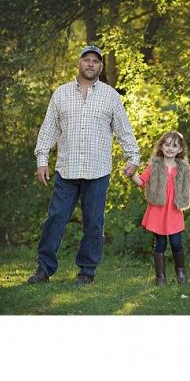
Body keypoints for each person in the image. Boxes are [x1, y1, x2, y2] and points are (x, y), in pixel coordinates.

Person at [27, 46, 140, 285]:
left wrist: (133, 158)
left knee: (94, 222)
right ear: (79, 63)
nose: (90, 64)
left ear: (100, 67)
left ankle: (86, 272)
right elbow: (49, 129)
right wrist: (42, 160)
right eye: (86, 60)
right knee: (55, 218)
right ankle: (44, 269)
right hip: (67, 169)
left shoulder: (110, 96)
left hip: (97, 170)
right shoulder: (61, 93)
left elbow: (123, 130)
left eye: (95, 61)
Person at [130, 131, 190, 286]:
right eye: (167, 144)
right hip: (158, 211)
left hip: (174, 213)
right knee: (161, 244)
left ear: (180, 150)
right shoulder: (154, 166)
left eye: (174, 145)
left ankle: (180, 271)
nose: (170, 148)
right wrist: (131, 175)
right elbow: (141, 181)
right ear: (161, 146)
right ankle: (160, 277)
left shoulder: (183, 169)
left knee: (176, 243)